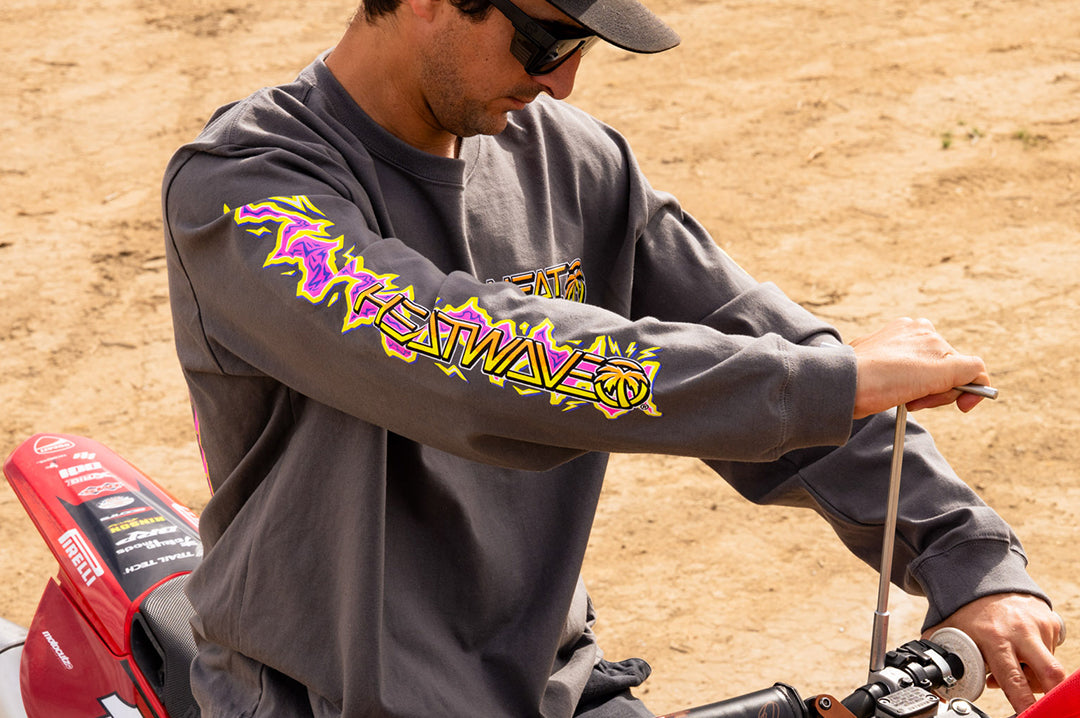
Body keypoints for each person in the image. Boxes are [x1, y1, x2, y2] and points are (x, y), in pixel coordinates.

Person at [161, 0, 1067, 715]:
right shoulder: (247, 190)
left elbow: (751, 334)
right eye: (545, 39)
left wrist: (967, 559)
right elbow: (459, 357)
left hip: (555, 686)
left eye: (582, 46)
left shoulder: (574, 161)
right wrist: (831, 384)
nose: (561, 83)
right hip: (332, 699)